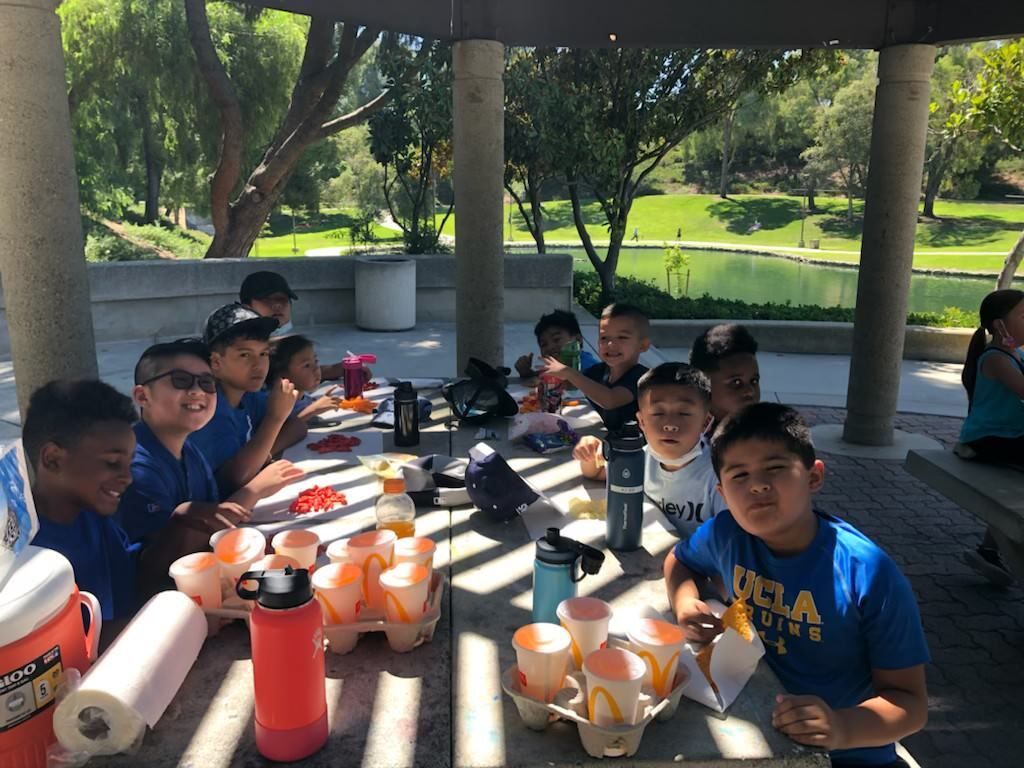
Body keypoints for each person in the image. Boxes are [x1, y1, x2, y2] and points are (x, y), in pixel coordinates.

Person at [665, 403, 929, 767]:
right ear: (722, 493)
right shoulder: (726, 534)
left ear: (813, 476)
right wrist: (684, 601)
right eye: (739, 476)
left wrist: (840, 726)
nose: (758, 484)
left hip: (850, 756)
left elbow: (910, 704)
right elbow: (680, 561)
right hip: (753, 728)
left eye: (775, 468)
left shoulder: (867, 573)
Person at [118, 339, 304, 589]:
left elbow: (214, 516)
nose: (198, 391)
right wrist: (255, 489)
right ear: (142, 396)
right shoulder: (135, 469)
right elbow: (156, 572)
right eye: (181, 380)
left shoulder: (189, 449)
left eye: (207, 383)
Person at [25, 380, 140, 622]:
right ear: (53, 459)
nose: (128, 477)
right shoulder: (25, 554)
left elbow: (128, 596)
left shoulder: (94, 517)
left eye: (130, 462)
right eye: (112, 463)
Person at [574, 362, 725, 536]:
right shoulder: (643, 458)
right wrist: (589, 454)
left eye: (683, 413)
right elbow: (596, 473)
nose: (670, 425)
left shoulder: (718, 476)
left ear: (705, 422)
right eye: (658, 413)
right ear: (642, 421)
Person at [190, 303, 307, 496]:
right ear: (216, 363)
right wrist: (274, 419)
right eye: (245, 355)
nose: (258, 364)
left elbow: (298, 427)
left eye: (263, 353)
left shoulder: (248, 396)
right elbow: (235, 479)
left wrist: (262, 454)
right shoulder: (209, 409)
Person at [956, 289, 1024, 586]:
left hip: (1007, 434)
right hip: (986, 438)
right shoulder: (996, 359)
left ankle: (988, 549)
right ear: (1000, 326)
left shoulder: (1015, 354)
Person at [541, 303, 650, 432]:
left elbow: (610, 400)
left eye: (622, 337)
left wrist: (567, 372)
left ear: (642, 345)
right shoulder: (598, 371)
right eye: (604, 337)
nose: (610, 344)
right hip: (601, 439)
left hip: (629, 448)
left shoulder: (642, 378)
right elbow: (571, 386)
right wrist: (546, 387)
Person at [240, 270, 360, 382]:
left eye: (282, 300)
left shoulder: (281, 341)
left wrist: (339, 369)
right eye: (267, 301)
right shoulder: (238, 343)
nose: (277, 306)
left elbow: (289, 374)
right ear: (246, 307)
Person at [689, 323, 761, 430]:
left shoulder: (767, 435)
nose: (750, 391)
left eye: (754, 381)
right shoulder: (682, 438)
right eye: (736, 382)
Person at [268, 335, 345, 422]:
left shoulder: (302, 393)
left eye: (315, 361)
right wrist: (313, 410)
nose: (316, 368)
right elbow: (283, 430)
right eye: (307, 365)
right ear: (280, 373)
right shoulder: (275, 405)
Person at [514, 309, 600, 379]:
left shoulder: (591, 368)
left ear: (577, 340)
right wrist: (526, 373)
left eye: (556, 339)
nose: (550, 347)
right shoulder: (555, 367)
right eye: (544, 344)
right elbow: (543, 378)